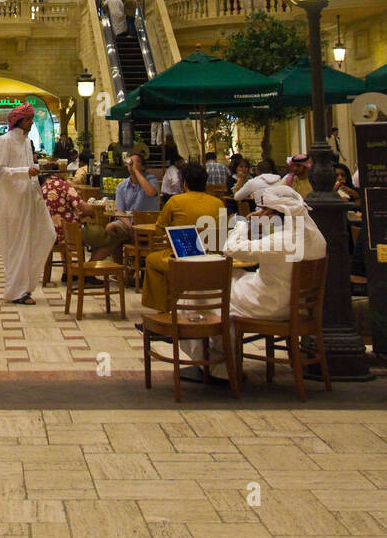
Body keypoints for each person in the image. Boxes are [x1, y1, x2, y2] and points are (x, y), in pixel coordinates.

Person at [182, 182, 327, 381]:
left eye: (264, 210)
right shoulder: (316, 236)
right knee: (231, 280)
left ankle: (215, 364)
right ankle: (223, 356)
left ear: (276, 214)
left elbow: (231, 248)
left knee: (202, 291)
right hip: (297, 306)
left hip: (268, 304)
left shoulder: (282, 240)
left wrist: (241, 223)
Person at [140, 162, 226, 313]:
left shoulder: (175, 201)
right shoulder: (219, 203)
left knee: (151, 260)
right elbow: (223, 233)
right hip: (213, 260)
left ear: (185, 183)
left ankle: (163, 311)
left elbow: (160, 230)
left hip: (182, 259)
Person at [0, 104, 56, 305]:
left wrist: (37, 171)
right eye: (29, 119)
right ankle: (17, 291)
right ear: (19, 121)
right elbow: (1, 171)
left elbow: (29, 168)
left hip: (31, 196)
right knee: (18, 245)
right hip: (14, 201)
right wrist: (25, 171)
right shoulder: (5, 141)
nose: (31, 123)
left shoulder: (28, 141)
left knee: (47, 233)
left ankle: (27, 285)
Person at [102, 151, 160, 254]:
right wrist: (130, 226)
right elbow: (119, 211)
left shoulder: (151, 180)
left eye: (135, 161)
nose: (131, 164)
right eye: (130, 161)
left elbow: (151, 192)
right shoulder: (122, 186)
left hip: (148, 225)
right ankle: (118, 267)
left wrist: (136, 171)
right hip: (129, 223)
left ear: (143, 167)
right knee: (111, 228)